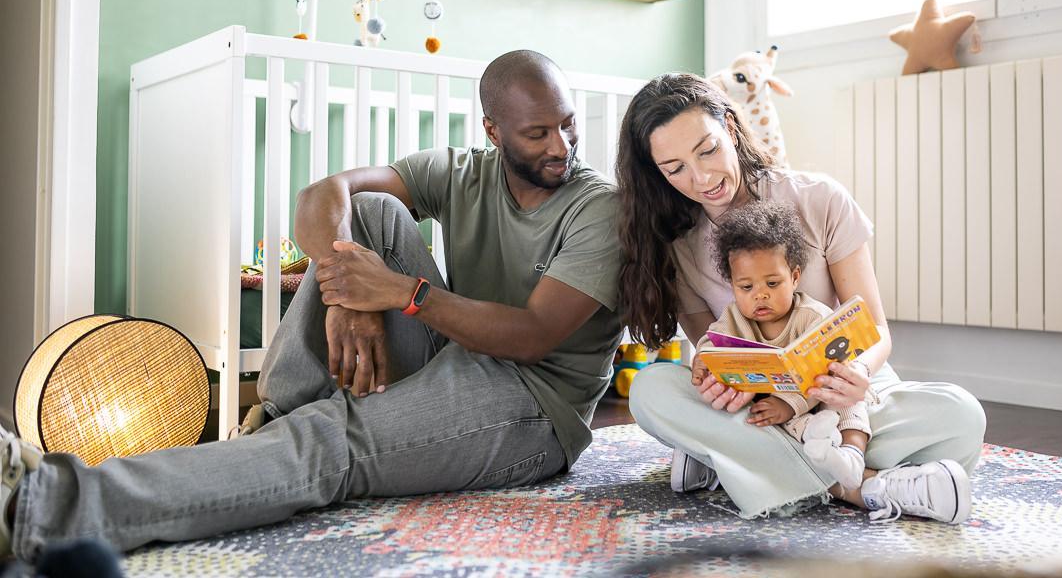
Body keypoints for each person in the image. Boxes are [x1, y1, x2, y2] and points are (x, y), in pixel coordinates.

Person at [1, 50, 623, 560]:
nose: (561, 146)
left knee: (329, 440)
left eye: (567, 124)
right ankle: (275, 428)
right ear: (493, 131)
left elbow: (534, 335)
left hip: (533, 407)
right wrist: (346, 299)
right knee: (371, 212)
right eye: (537, 133)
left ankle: (48, 505)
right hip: (458, 352)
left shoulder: (599, 208)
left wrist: (404, 293)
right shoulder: (466, 171)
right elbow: (324, 190)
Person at [615, 72, 985, 525]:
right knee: (651, 392)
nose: (702, 177)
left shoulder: (821, 199)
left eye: (708, 149)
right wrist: (711, 374)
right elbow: (712, 348)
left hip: (847, 397)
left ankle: (731, 461)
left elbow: (875, 331)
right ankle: (863, 486)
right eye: (675, 169)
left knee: (962, 416)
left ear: (730, 129)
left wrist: (859, 373)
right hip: (765, 407)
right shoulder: (680, 245)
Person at [699, 200, 874, 492]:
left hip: (817, 395)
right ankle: (820, 446)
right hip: (789, 416)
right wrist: (703, 357)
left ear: (794, 278)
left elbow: (824, 376)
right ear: (733, 286)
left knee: (845, 400)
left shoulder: (813, 317)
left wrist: (787, 403)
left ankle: (853, 456)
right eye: (746, 287)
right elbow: (713, 340)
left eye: (772, 283)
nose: (760, 296)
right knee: (761, 417)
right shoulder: (734, 316)